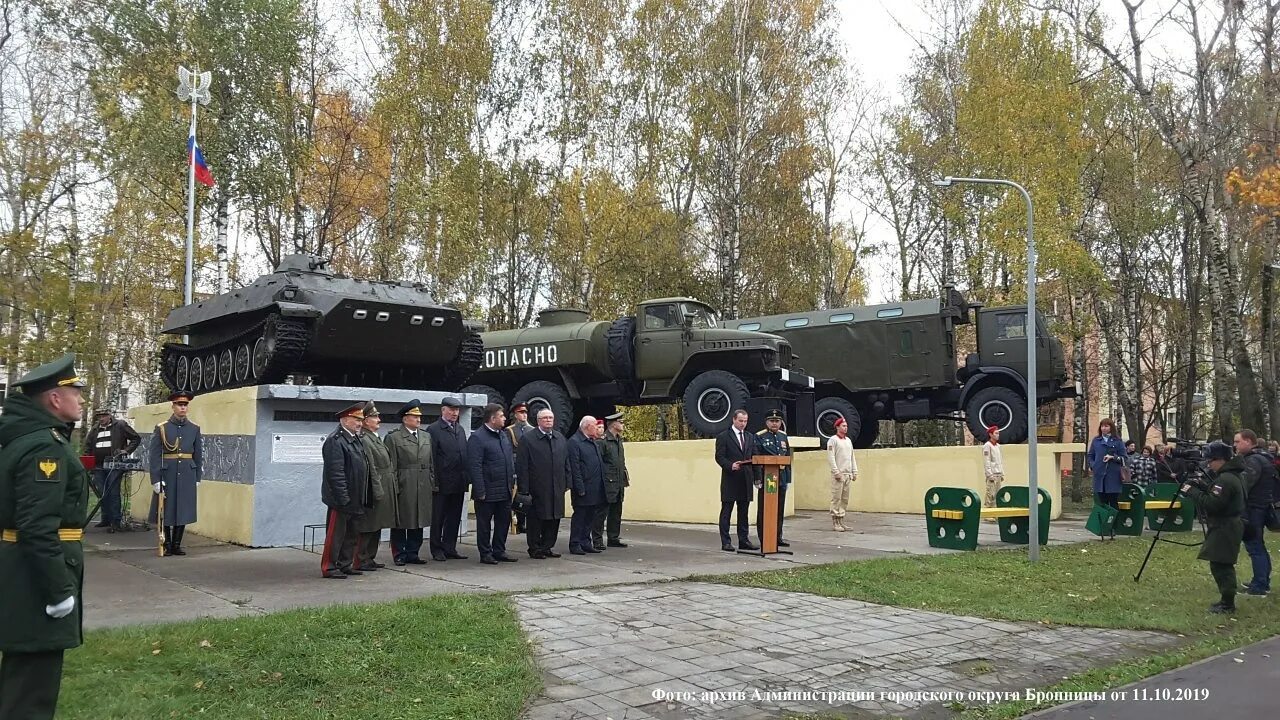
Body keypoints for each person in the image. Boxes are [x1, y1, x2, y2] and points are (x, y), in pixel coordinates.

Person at [0, 354, 90, 720]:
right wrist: (58, 592)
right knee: (32, 690)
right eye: (76, 391)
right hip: (36, 578)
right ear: (55, 398)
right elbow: (37, 526)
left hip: (23, 570)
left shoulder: (30, 438)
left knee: (21, 677)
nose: (82, 398)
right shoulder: (43, 447)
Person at [1181, 441, 1246, 614]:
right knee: (1220, 562)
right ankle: (1226, 600)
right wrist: (1203, 486)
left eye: (1211, 460)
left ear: (1221, 460)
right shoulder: (1234, 476)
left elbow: (1213, 504)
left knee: (1221, 564)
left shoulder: (1225, 479)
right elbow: (1220, 496)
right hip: (1229, 524)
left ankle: (1227, 603)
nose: (1208, 464)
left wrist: (1191, 491)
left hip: (1225, 526)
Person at [148, 392, 203, 556]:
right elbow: (154, 455)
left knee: (183, 509)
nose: (183, 407)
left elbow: (198, 455)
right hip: (168, 473)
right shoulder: (162, 428)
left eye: (185, 405)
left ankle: (177, 545)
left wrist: (197, 477)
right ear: (173, 406)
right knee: (165, 510)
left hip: (187, 473)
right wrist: (156, 479)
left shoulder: (194, 428)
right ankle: (166, 543)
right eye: (179, 404)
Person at [319, 402, 370, 579]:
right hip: (341, 499)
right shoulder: (335, 441)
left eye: (361, 420)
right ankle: (330, 566)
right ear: (345, 420)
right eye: (356, 419)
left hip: (356, 496)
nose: (360, 423)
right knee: (336, 535)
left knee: (351, 534)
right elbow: (336, 473)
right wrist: (343, 498)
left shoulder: (355, 439)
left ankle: (345, 564)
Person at [515, 408, 570, 559]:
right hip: (537, 487)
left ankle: (547, 546)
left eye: (550, 418)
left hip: (557, 487)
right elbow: (522, 465)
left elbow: (566, 463)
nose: (548, 420)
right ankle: (535, 548)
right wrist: (524, 489)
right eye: (545, 418)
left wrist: (567, 482)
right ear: (538, 421)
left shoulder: (560, 438)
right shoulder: (528, 439)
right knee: (536, 519)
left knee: (554, 518)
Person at [468, 403, 518, 565]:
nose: (504, 418)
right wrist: (480, 490)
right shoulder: (478, 437)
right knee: (484, 525)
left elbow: (509, 460)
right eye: (501, 416)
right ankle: (485, 553)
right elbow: (474, 466)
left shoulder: (503, 435)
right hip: (487, 490)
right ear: (492, 418)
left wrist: (511, 483)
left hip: (504, 489)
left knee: (503, 522)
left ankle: (499, 550)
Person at [386, 399, 434, 565]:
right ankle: (399, 553)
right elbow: (391, 465)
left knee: (419, 519)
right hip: (405, 482)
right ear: (405, 419)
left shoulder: (426, 436)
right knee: (401, 521)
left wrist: (431, 481)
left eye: (419, 417)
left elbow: (431, 462)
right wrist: (394, 486)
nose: (418, 420)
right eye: (414, 417)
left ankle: (413, 552)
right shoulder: (394, 437)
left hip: (423, 483)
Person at [356, 402, 397, 572]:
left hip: (385, 484)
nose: (379, 420)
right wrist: (377, 489)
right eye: (375, 417)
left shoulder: (374, 437)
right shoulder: (365, 439)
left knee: (378, 523)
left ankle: (370, 557)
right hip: (375, 487)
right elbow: (371, 467)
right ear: (365, 421)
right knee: (369, 524)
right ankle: (361, 558)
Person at [427, 397, 469, 562]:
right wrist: (434, 481)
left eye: (457, 410)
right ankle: (436, 548)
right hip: (442, 482)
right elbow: (432, 458)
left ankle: (449, 547)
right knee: (438, 517)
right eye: (451, 410)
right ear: (443, 410)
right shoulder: (434, 429)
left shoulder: (460, 429)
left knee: (454, 516)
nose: (454, 413)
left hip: (458, 481)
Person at [86, 408, 140, 532]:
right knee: (102, 492)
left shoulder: (120, 425)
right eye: (99, 416)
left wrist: (126, 451)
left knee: (113, 492)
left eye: (103, 416)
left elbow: (136, 438)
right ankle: (105, 519)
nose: (101, 418)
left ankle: (116, 521)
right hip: (98, 466)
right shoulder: (95, 429)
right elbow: (88, 446)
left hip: (114, 465)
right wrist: (88, 462)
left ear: (109, 415)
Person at [1236, 429, 1276, 596]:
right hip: (1261, 506)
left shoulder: (1253, 461)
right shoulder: (1263, 458)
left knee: (1255, 547)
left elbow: (1244, 484)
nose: (1235, 445)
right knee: (1258, 546)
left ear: (1248, 441)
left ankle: (1259, 586)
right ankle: (1261, 581)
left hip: (1254, 508)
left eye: (1237, 441)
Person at [715, 409, 759, 551]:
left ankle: (743, 540)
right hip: (730, 478)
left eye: (745, 421)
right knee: (727, 511)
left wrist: (757, 478)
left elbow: (755, 457)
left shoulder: (750, 437)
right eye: (740, 421)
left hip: (745, 479)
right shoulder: (724, 436)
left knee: (743, 512)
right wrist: (730, 465)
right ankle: (726, 542)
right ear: (734, 420)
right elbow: (719, 456)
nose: (743, 424)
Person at [567, 416, 607, 555]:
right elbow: (575, 467)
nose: (597, 428)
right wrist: (579, 487)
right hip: (583, 487)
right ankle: (575, 543)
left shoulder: (592, 441)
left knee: (590, 516)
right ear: (587, 426)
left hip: (595, 487)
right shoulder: (574, 442)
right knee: (580, 516)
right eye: (595, 425)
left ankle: (585, 541)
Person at [754, 409, 791, 547]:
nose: (775, 424)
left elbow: (787, 458)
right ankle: (764, 537)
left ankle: (777, 536)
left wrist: (788, 478)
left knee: (779, 509)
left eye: (777, 421)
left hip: (781, 477)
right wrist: (757, 479)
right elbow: (756, 458)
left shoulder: (783, 436)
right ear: (766, 422)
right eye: (772, 421)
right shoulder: (760, 436)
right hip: (768, 477)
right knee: (765, 509)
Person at [595, 412, 630, 549]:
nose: (622, 424)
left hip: (618, 481)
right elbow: (599, 463)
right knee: (601, 512)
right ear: (613, 424)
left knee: (616, 511)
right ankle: (597, 539)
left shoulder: (618, 440)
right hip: (607, 482)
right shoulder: (603, 441)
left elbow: (620, 461)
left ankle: (613, 537)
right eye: (620, 422)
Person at [505, 403, 534, 534]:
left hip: (530, 466)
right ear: (516, 415)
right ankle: (516, 522)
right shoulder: (510, 430)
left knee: (527, 496)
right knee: (515, 497)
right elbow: (509, 450)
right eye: (521, 413)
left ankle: (524, 521)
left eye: (525, 413)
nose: (524, 415)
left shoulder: (532, 430)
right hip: (516, 465)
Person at [1087, 418, 1126, 510]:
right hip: (1099, 476)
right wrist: (1093, 465)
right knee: (1101, 503)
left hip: (1113, 477)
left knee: (1113, 503)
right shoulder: (1096, 441)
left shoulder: (1118, 441)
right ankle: (1103, 524)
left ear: (1111, 427)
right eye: (1102, 426)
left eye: (1106, 426)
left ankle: (1114, 523)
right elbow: (1090, 455)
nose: (1104, 428)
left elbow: (1125, 458)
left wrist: (1113, 457)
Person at [826, 417, 857, 532]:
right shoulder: (833, 440)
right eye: (843, 426)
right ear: (837, 427)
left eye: (846, 426)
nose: (846, 428)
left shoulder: (848, 440)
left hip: (847, 473)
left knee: (844, 499)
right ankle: (835, 522)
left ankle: (841, 520)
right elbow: (831, 457)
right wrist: (836, 471)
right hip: (839, 474)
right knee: (836, 498)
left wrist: (854, 471)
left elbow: (852, 456)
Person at [981, 425, 1003, 509]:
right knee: (991, 493)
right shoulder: (987, 446)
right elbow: (986, 461)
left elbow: (1000, 460)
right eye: (996, 433)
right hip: (992, 474)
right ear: (991, 434)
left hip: (998, 473)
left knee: (997, 494)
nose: (998, 435)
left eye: (998, 433)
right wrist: (989, 474)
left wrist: (1002, 473)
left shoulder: (998, 446)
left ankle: (994, 513)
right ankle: (988, 513)